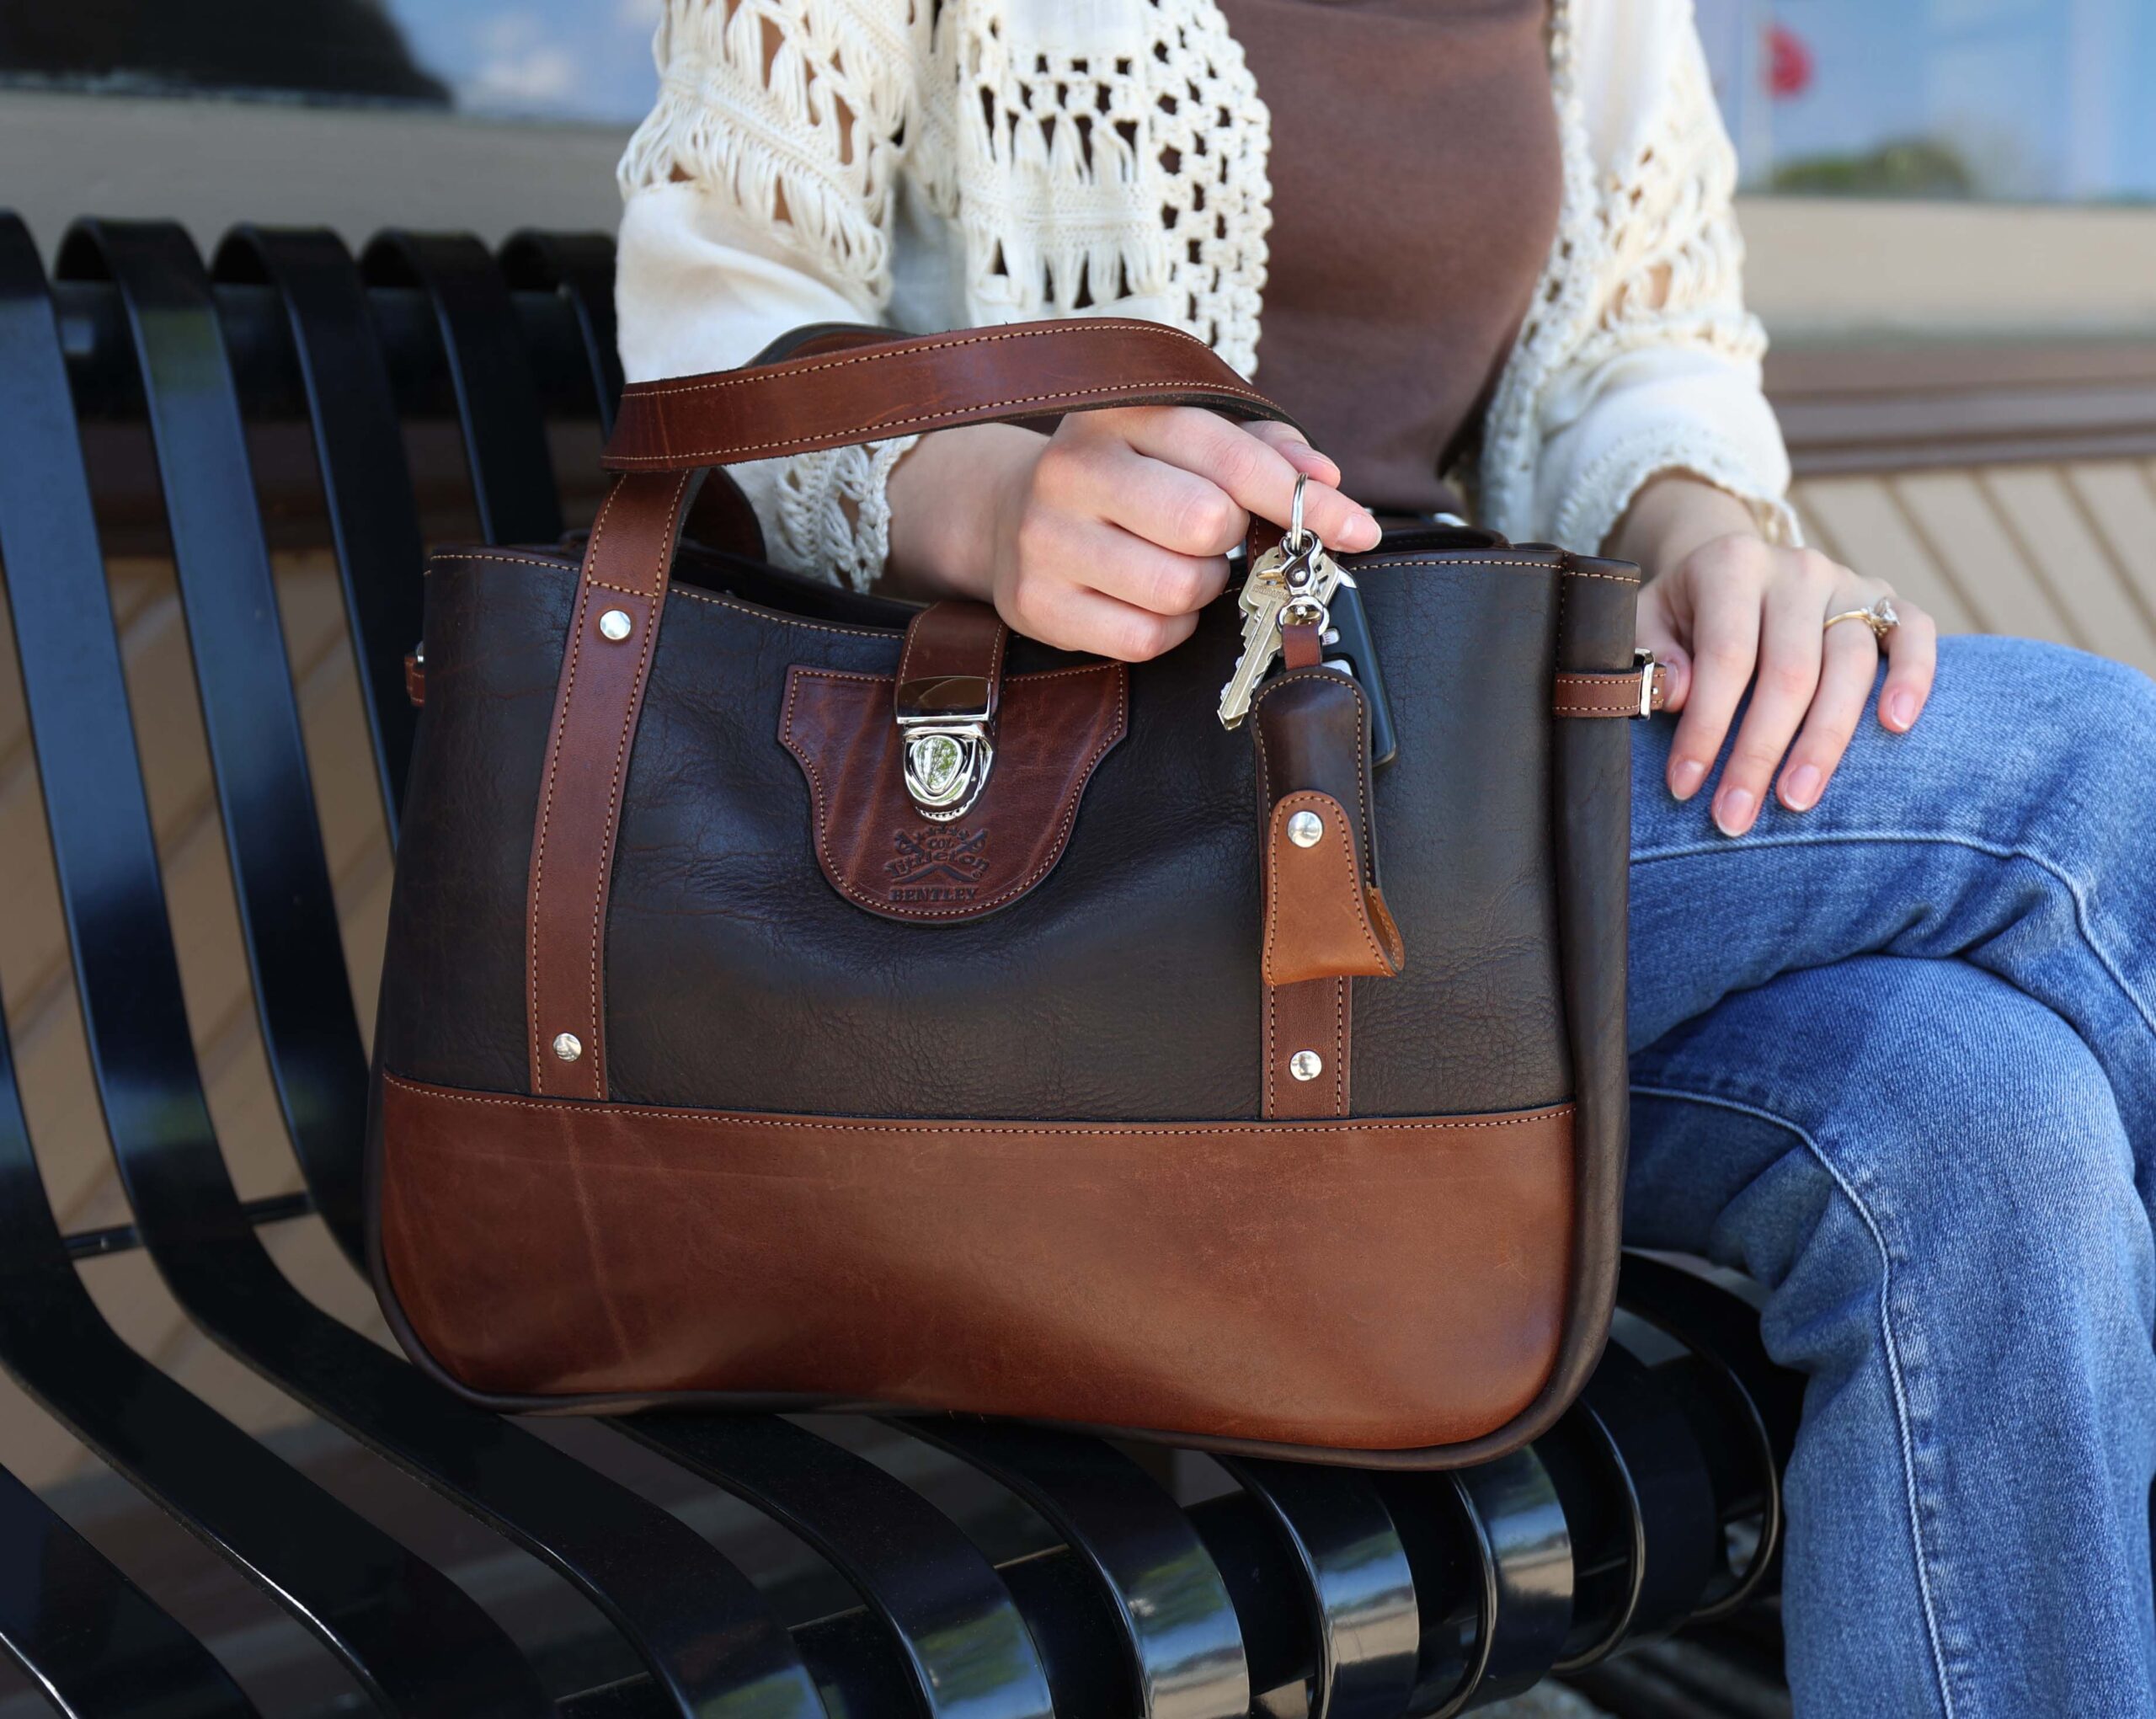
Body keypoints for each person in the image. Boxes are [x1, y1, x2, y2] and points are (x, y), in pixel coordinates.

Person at [612, 2, 2156, 1710]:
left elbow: (1629, 356)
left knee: (1979, 1114)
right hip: (1082, 856)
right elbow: (715, 307)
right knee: (2096, 775)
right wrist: (985, 501)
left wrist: (1703, 533)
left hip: (1438, 794)